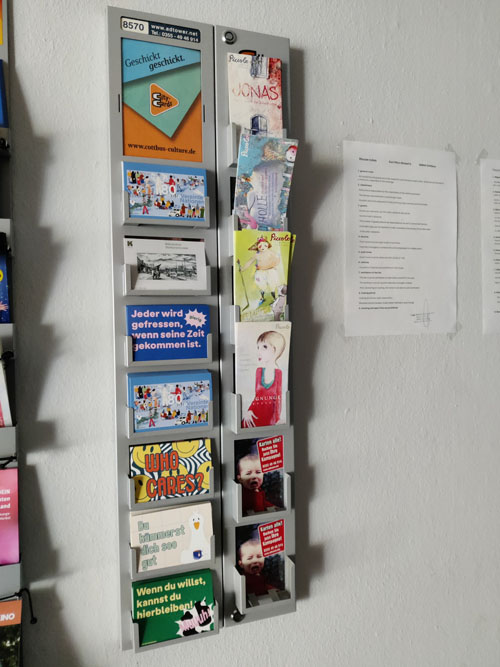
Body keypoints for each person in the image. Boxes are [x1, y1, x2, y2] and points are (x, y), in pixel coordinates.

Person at [242, 330, 286, 428]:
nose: (259, 352)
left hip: (269, 420)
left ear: (274, 350)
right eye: (258, 347)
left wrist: (277, 420)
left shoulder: (278, 373)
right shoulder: (259, 371)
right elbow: (257, 397)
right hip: (253, 416)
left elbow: (278, 400)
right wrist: (249, 411)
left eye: (264, 347)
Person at [240, 237, 281, 306]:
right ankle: (262, 297)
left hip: (270, 271)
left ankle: (275, 298)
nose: (263, 247)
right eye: (260, 246)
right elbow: (249, 262)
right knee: (261, 284)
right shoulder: (257, 255)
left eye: (265, 245)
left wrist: (274, 265)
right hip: (260, 272)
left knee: (272, 284)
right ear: (257, 247)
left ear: (267, 245)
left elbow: (277, 259)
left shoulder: (270, 252)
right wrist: (243, 268)